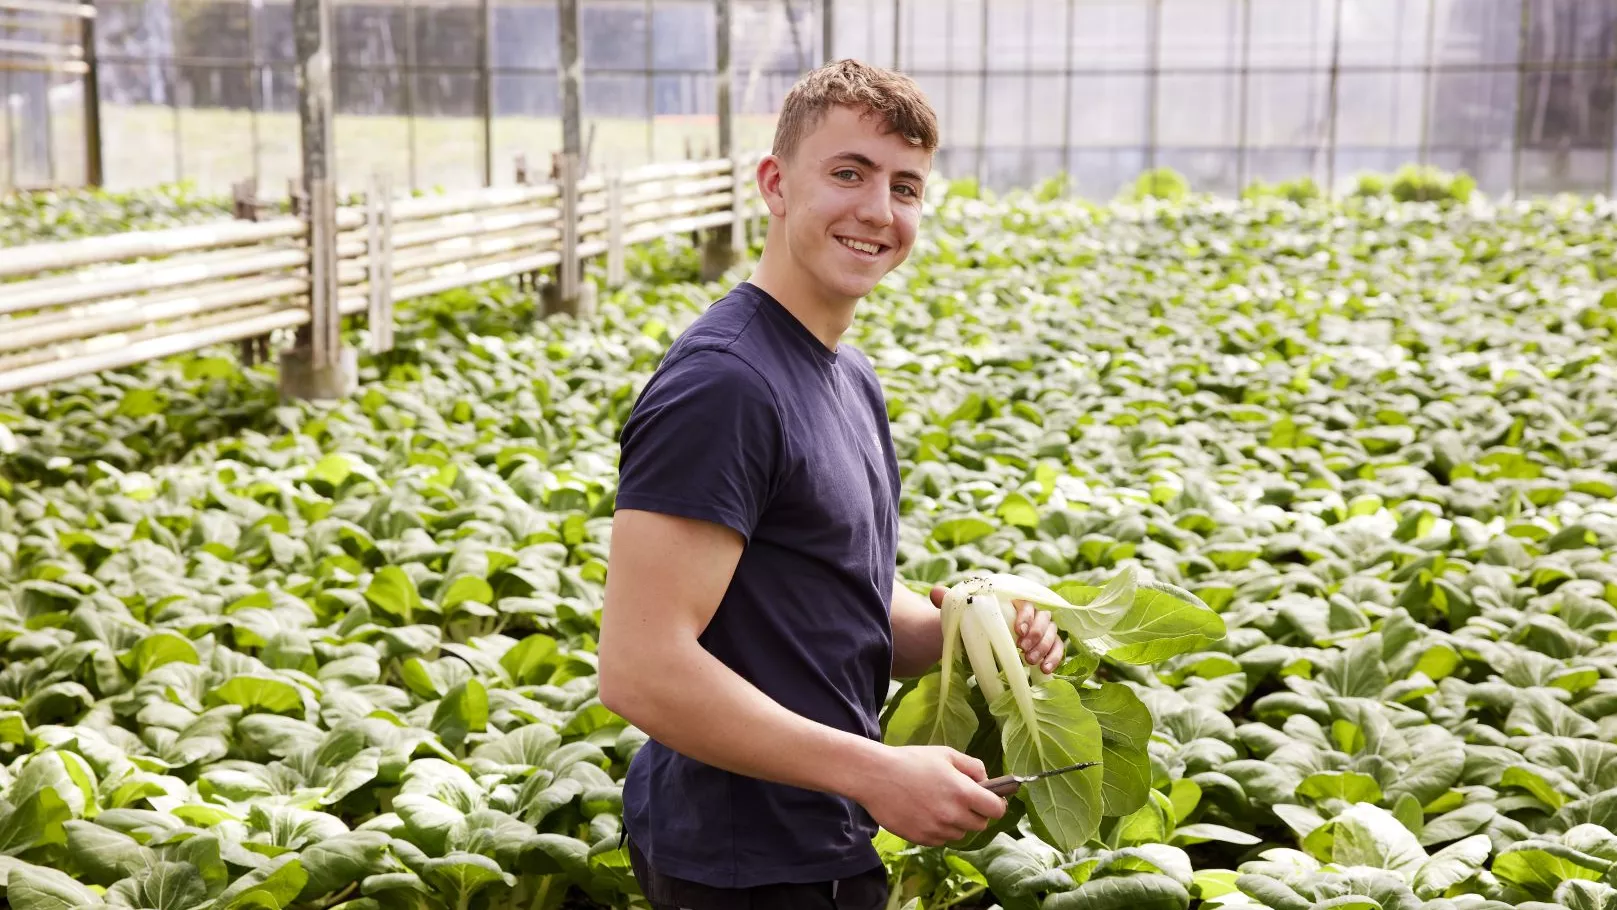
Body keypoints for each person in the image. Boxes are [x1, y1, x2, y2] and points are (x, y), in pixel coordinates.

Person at [596, 59, 1066, 910]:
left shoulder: (845, 373)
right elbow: (639, 668)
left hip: (818, 839)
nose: (877, 211)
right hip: (738, 863)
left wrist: (968, 629)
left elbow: (828, 599)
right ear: (774, 183)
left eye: (905, 187)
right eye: (847, 173)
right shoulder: (725, 385)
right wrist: (877, 770)